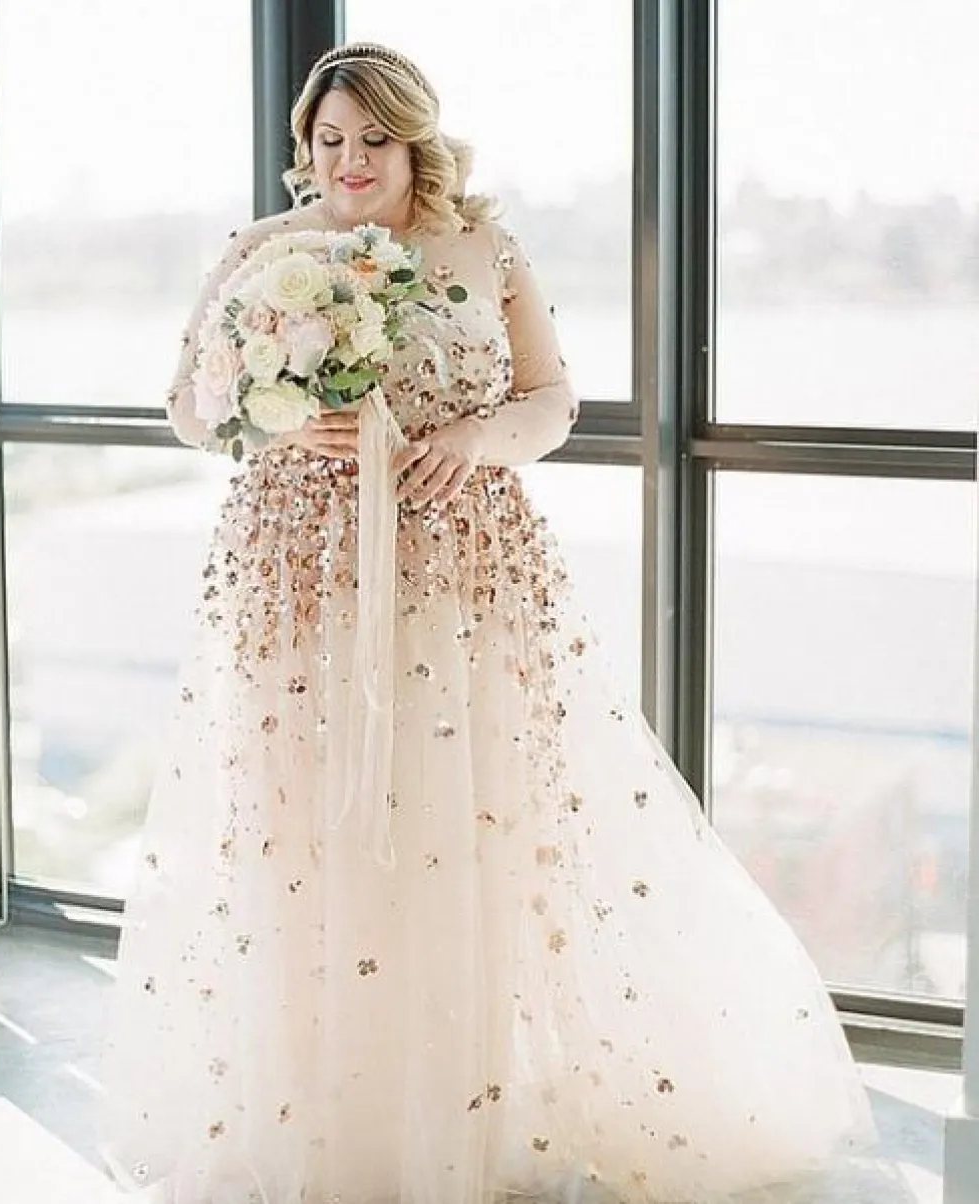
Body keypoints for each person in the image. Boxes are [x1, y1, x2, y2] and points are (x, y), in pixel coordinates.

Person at [98, 41, 900, 1204]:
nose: (350, 160)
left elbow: (554, 398)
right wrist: (276, 423)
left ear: (413, 137)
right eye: (330, 140)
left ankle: (459, 1116)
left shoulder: (485, 247)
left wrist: (478, 440)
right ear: (305, 146)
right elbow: (187, 404)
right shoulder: (263, 250)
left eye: (373, 138)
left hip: (461, 574)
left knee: (461, 832)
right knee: (306, 839)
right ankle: (331, 1123)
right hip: (300, 580)